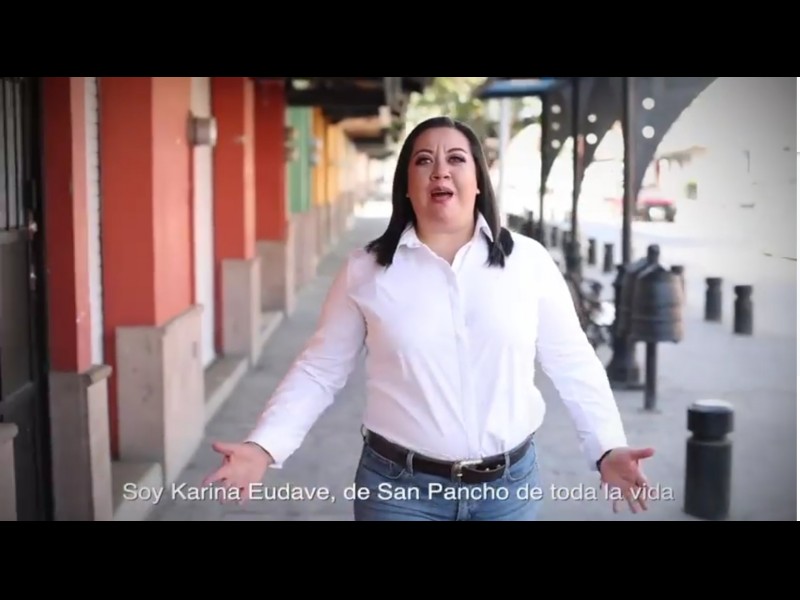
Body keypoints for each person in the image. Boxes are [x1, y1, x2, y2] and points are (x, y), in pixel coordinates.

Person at [203, 116, 654, 521]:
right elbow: (319, 370)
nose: (440, 170)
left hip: (509, 492)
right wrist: (264, 446)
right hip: (398, 493)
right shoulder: (365, 270)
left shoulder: (528, 261)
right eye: (424, 160)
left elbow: (572, 360)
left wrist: (607, 446)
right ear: (406, 184)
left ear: (478, 181)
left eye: (456, 158)